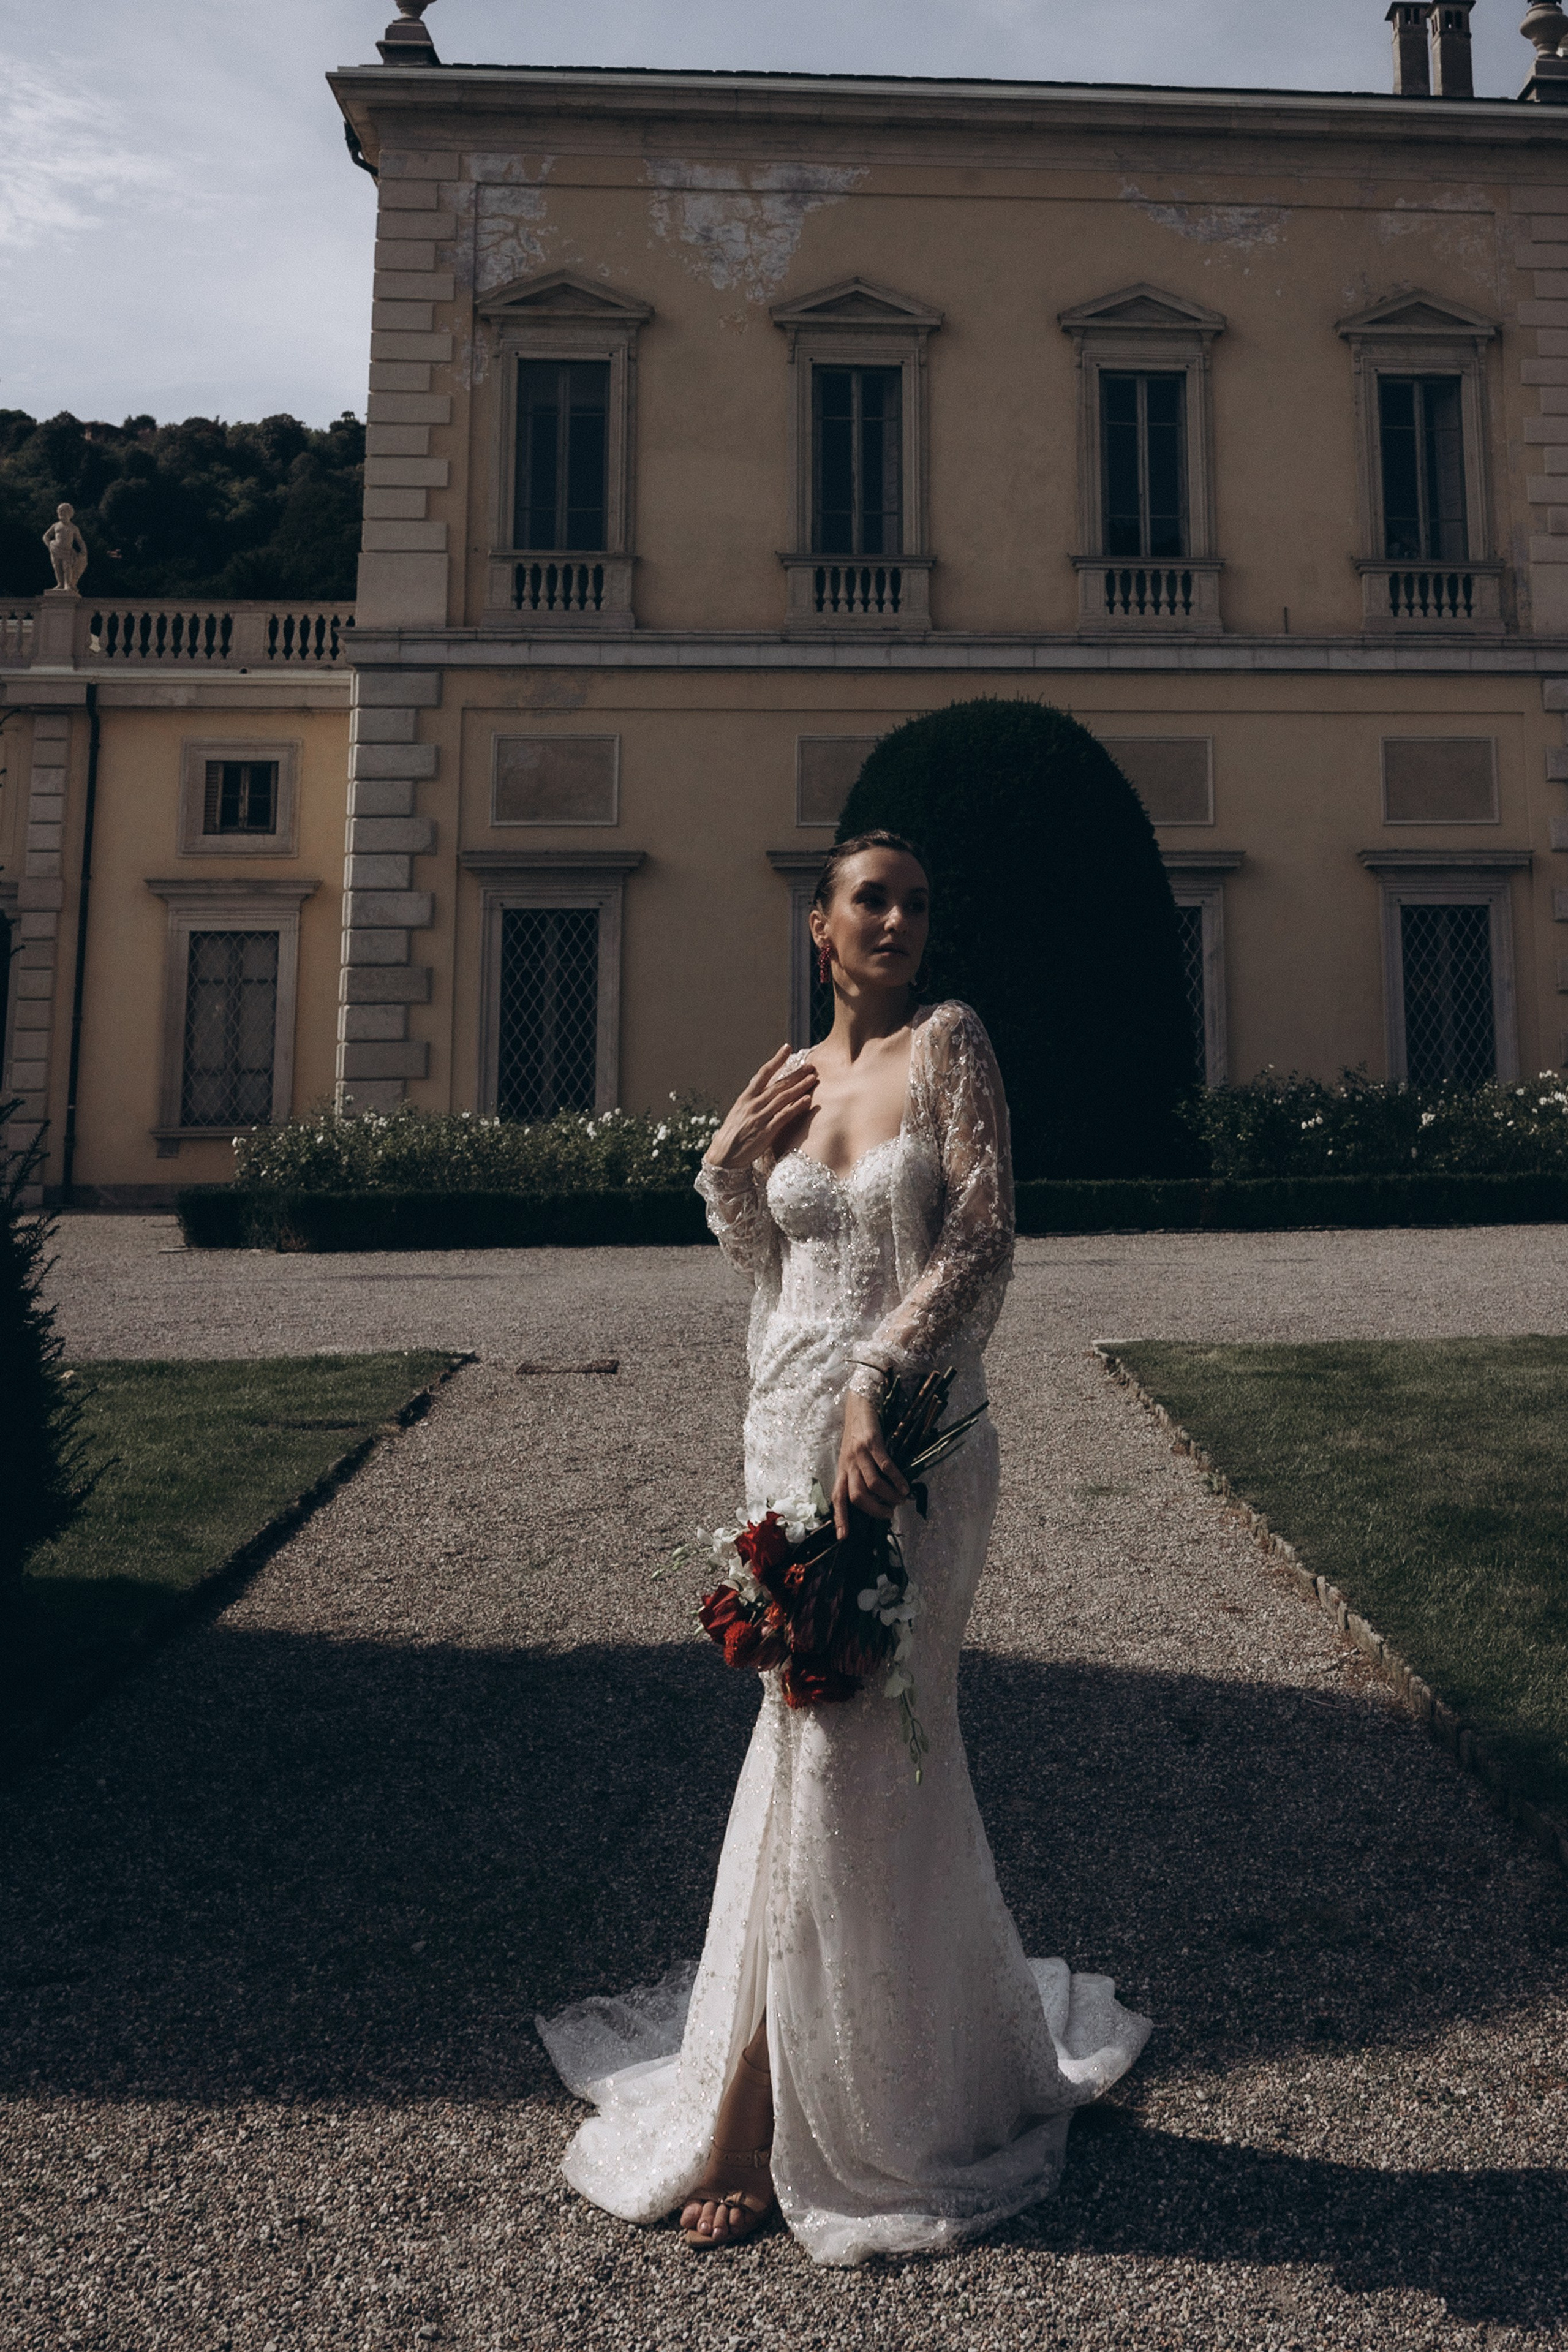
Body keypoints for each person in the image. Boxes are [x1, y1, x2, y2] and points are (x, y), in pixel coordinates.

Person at [538, 830, 1150, 2266]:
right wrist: (730, 1168)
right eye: (869, 900)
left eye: (916, 901)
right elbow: (771, 1262)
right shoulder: (801, 1073)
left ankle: (762, 2122)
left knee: (863, 1737)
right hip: (784, 1429)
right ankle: (881, 2057)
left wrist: (882, 1375)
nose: (896, 921)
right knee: (804, 1737)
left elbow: (983, 1238)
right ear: (817, 926)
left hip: (909, 1439)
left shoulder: (949, 1045)